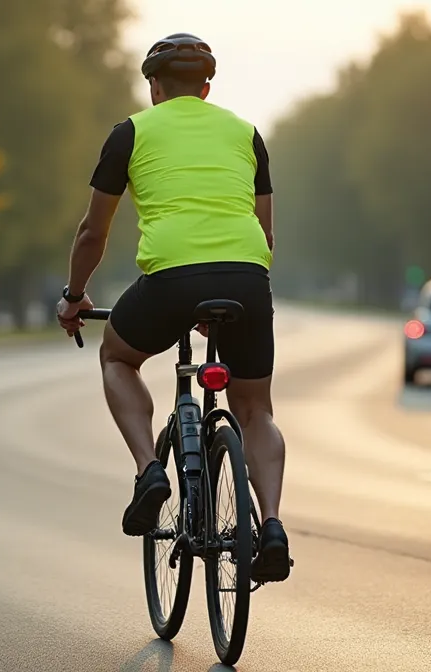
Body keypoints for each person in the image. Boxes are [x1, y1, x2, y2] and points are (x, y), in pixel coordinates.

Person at [55, 33, 291, 583]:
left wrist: (74, 296)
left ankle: (149, 471)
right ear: (206, 89)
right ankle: (273, 525)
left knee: (118, 357)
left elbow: (92, 233)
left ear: (154, 88)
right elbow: (266, 234)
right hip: (247, 277)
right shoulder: (247, 134)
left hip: (171, 278)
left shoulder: (131, 133)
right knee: (256, 409)